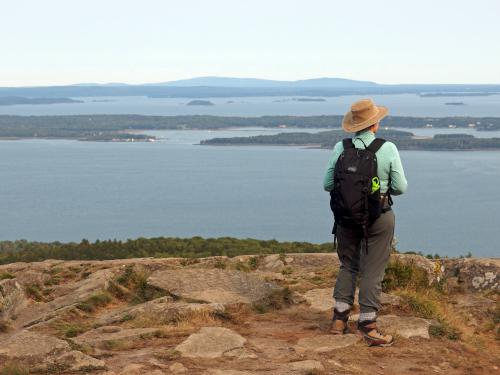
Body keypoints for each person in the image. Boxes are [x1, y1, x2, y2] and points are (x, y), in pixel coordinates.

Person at [323, 98, 407, 346]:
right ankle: (368, 324)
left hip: (346, 217)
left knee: (348, 265)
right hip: (378, 216)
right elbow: (401, 187)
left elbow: (327, 184)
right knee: (373, 270)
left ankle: (339, 320)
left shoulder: (341, 147)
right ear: (375, 124)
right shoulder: (387, 148)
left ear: (353, 125)